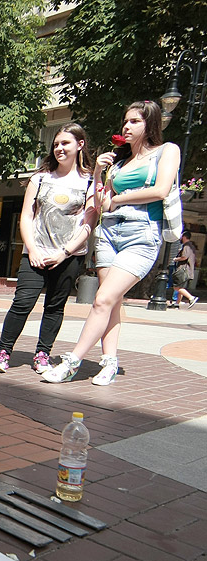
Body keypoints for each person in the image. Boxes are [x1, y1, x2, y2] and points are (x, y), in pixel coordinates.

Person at [44, 101, 181, 385]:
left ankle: (73, 361)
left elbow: (161, 189)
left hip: (141, 234)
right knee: (112, 302)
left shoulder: (166, 151)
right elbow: (100, 201)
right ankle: (109, 362)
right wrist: (98, 173)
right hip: (108, 233)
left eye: (134, 122)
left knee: (102, 299)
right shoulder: (119, 162)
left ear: (150, 124)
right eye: (125, 122)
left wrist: (119, 198)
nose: (126, 127)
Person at [0, 123, 97, 374]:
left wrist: (65, 252)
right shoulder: (39, 179)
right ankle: (3, 351)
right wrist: (33, 249)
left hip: (68, 256)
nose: (59, 148)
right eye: (56, 143)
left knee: (55, 306)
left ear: (80, 145)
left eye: (65, 143)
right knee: (22, 302)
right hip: (35, 254)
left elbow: (90, 221)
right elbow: (26, 217)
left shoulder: (90, 181)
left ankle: (42, 354)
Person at [170, 229, 199, 308]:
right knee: (181, 287)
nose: (180, 238)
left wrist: (176, 259)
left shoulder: (186, 246)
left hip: (183, 269)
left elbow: (184, 257)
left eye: (181, 236)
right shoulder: (191, 246)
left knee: (177, 287)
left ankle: (191, 298)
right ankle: (177, 303)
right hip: (188, 270)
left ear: (184, 237)